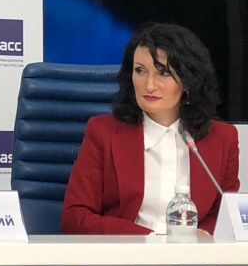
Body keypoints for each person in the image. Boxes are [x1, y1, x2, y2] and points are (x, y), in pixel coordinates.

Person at [61, 23, 239, 235]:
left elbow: (225, 213)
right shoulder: (103, 132)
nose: (149, 85)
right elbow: (75, 217)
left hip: (191, 254)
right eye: (140, 71)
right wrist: (150, 240)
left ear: (188, 81)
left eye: (163, 73)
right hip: (125, 252)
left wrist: (203, 234)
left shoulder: (222, 138)